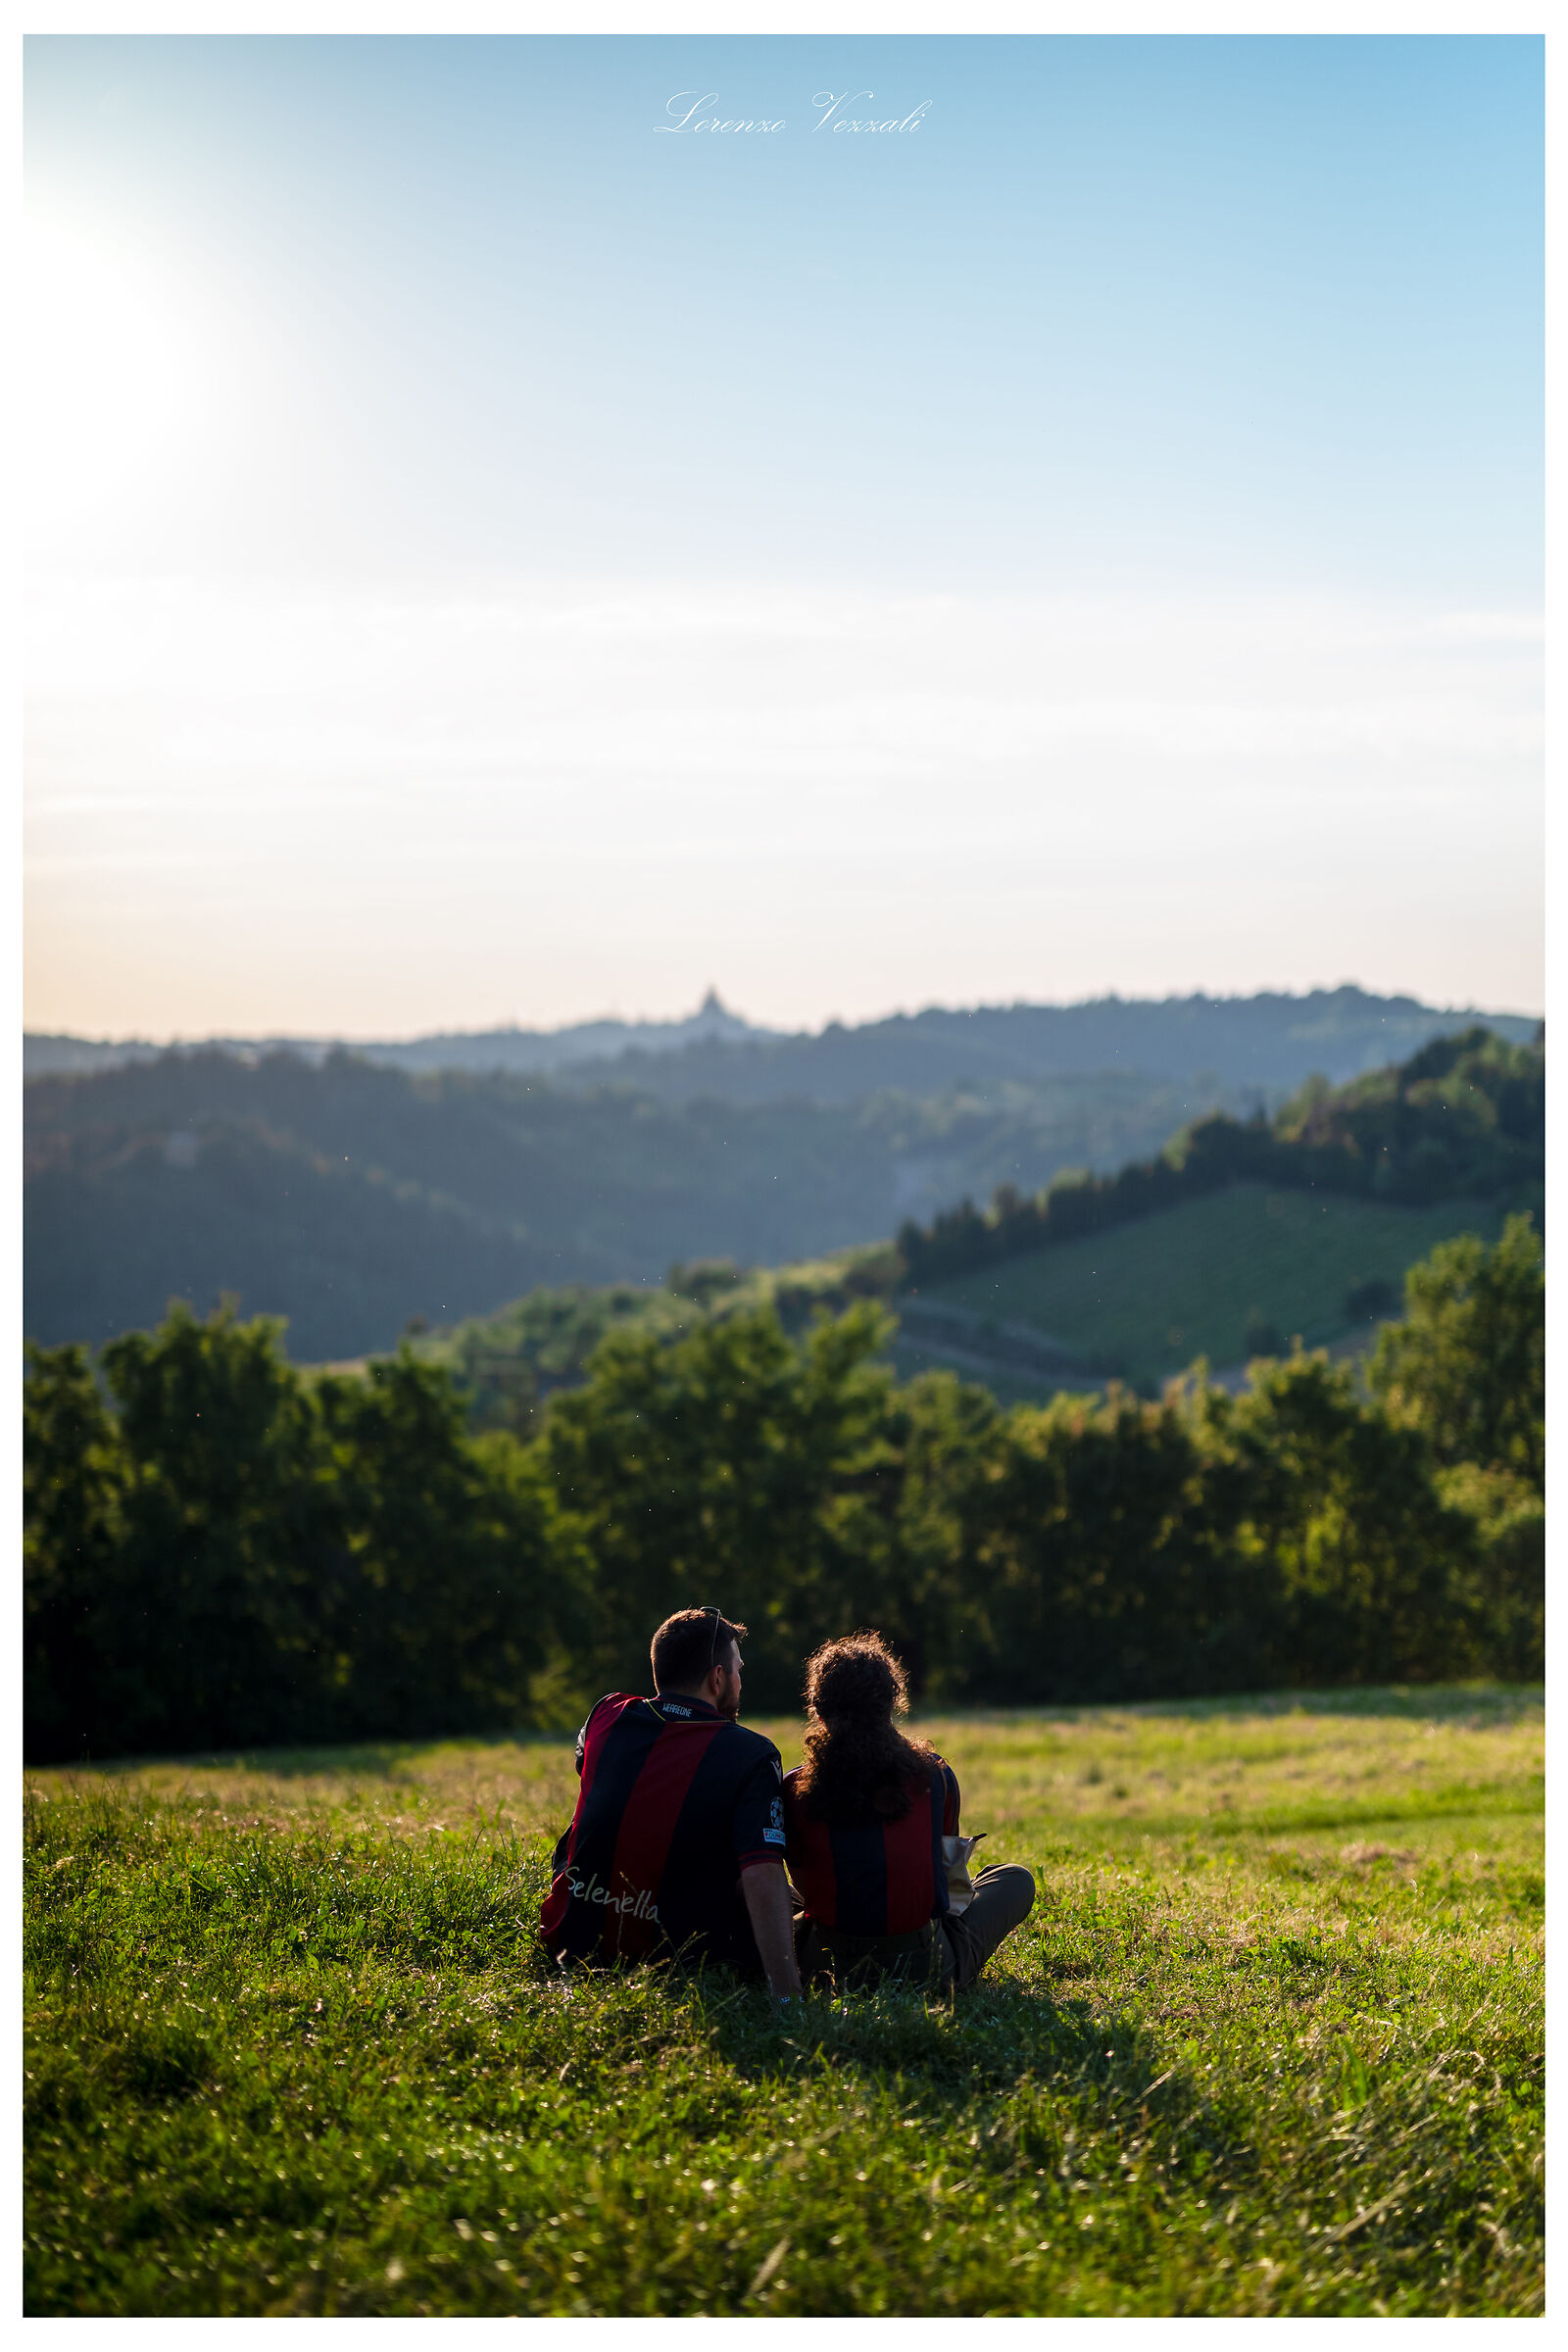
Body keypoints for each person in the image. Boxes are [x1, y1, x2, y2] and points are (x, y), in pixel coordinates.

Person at [539, 1607, 803, 2002]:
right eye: (738, 1670)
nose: (739, 1679)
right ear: (717, 1677)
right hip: (685, 1957)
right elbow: (761, 1876)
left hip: (571, 1942)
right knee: (781, 1888)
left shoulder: (606, 1715)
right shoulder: (752, 1753)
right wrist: (787, 1997)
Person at [783, 1630, 1035, 1994]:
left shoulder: (792, 1789)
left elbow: (802, 1883)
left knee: (768, 1892)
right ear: (893, 1702)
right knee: (1014, 1878)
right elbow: (948, 1881)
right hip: (927, 1968)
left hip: (827, 1964)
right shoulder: (936, 1775)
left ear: (818, 1711)